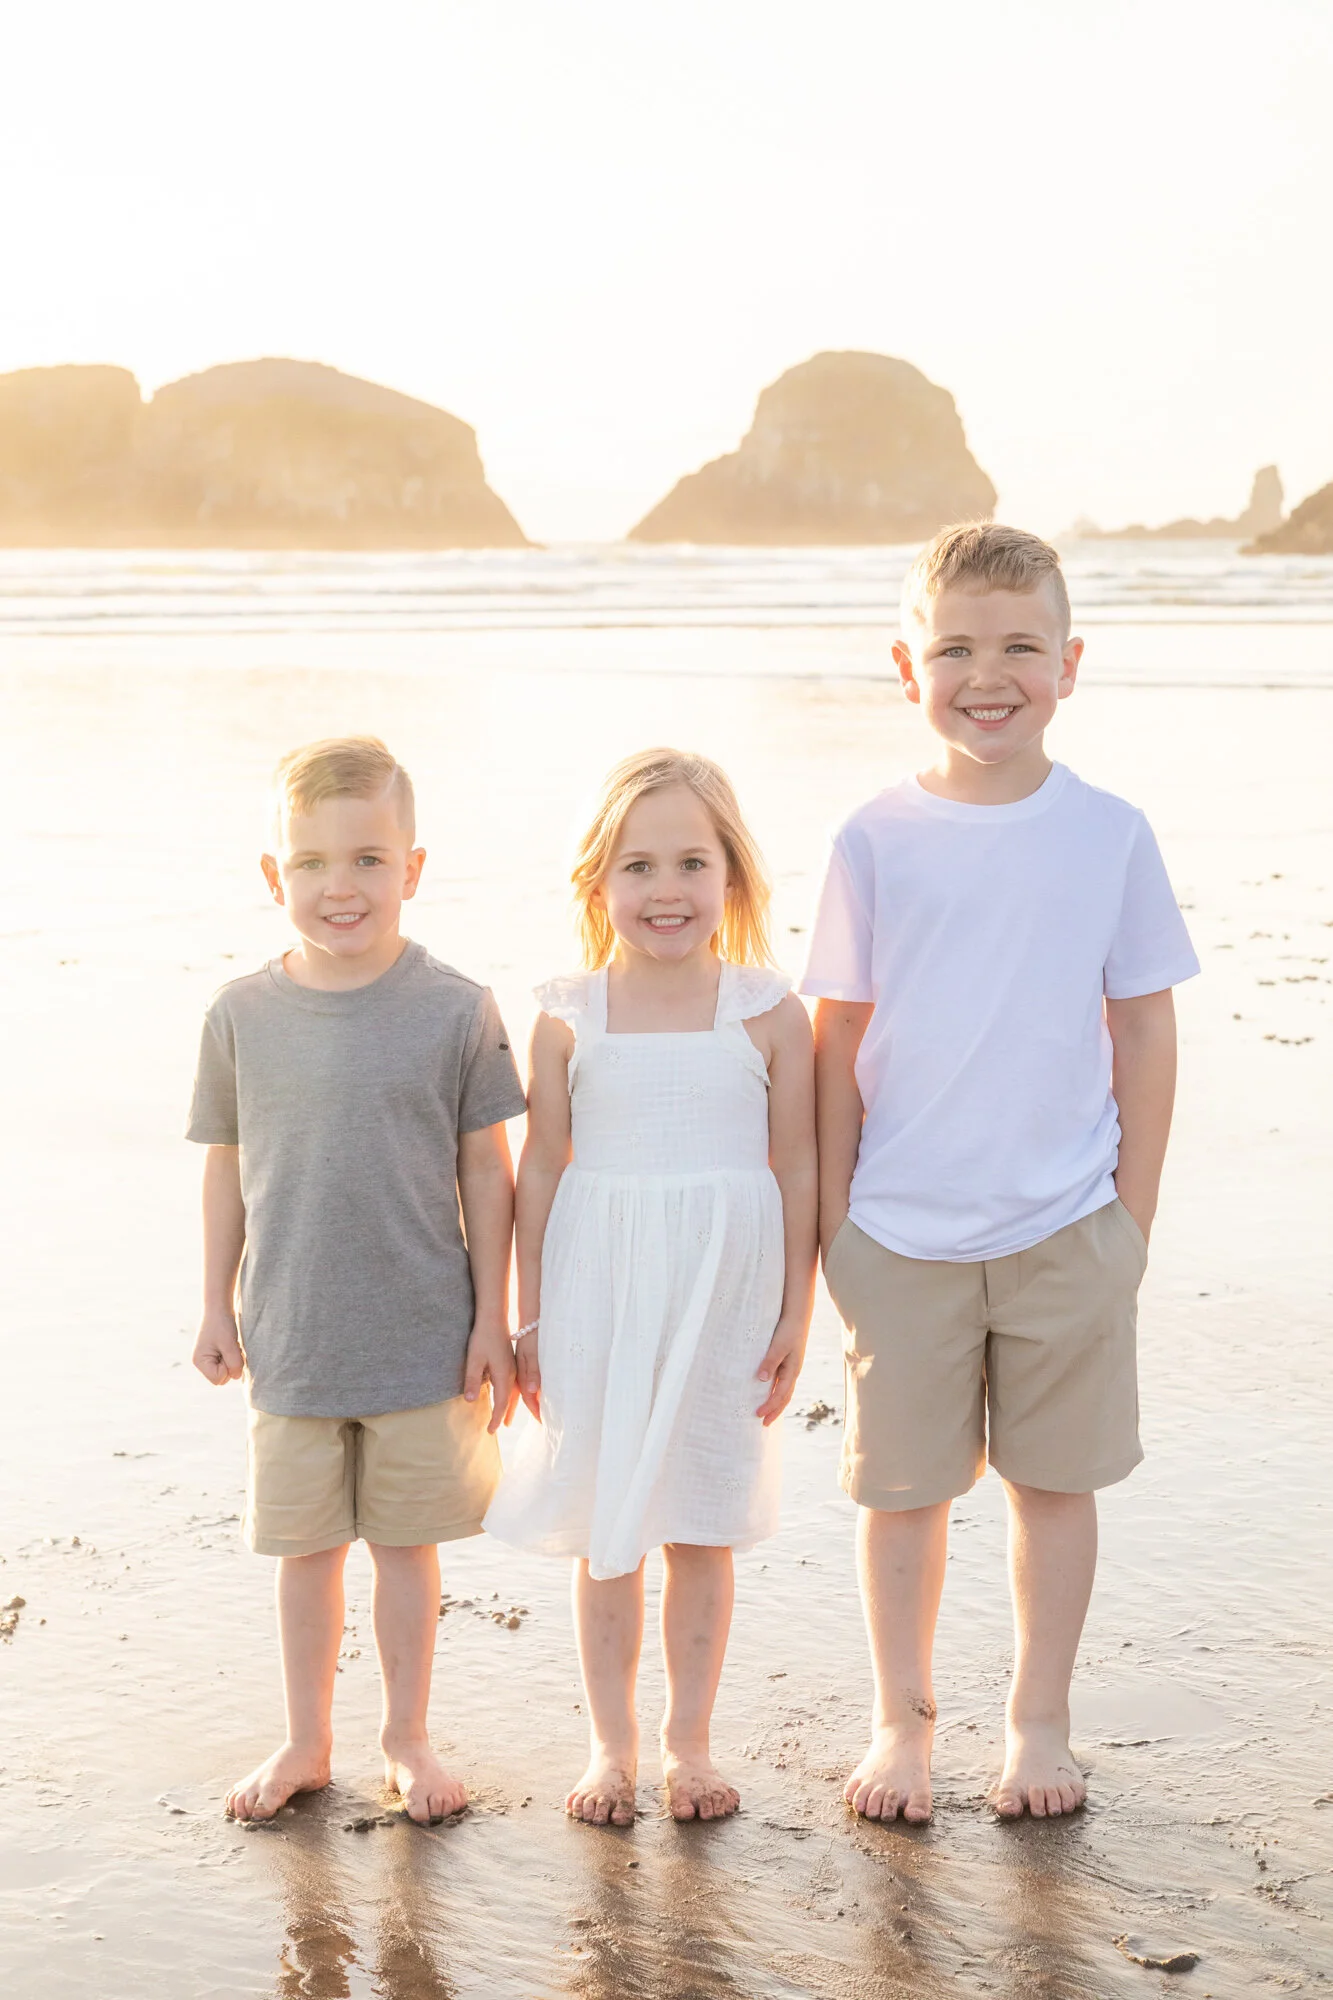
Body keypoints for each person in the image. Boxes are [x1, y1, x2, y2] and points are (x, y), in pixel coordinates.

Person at [803, 524, 1199, 1825]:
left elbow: (1144, 1026)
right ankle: (901, 1722)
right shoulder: (873, 837)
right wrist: (835, 1225)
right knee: (902, 1496)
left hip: (1068, 1227)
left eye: (1021, 647)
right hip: (897, 1235)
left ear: (1069, 664)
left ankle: (1039, 1722)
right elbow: (836, 1037)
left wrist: (1130, 1219)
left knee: (1054, 1487)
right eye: (956, 649)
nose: (988, 676)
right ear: (905, 665)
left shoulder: (1108, 834)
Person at [187, 735, 526, 1825]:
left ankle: (406, 1735)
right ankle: (306, 1737)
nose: (342, 886)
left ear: (412, 868)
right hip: (291, 1335)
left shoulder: (457, 1007)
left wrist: (493, 1318)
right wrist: (214, 1302)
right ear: (273, 875)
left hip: (422, 1335)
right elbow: (226, 1166)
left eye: (369, 859)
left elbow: (489, 1169)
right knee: (305, 1552)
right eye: (313, 862)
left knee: (405, 1549)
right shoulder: (240, 1014)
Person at [485, 748, 817, 1826]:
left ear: (732, 875)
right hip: (598, 1290)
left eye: (690, 863)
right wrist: (531, 1317)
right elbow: (542, 1168)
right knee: (607, 1520)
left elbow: (798, 1165)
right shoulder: (569, 1014)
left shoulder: (767, 1011)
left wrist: (797, 1309)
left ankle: (689, 1744)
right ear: (597, 882)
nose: (665, 889)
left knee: (702, 1520)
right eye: (637, 866)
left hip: (723, 1293)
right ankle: (610, 1747)